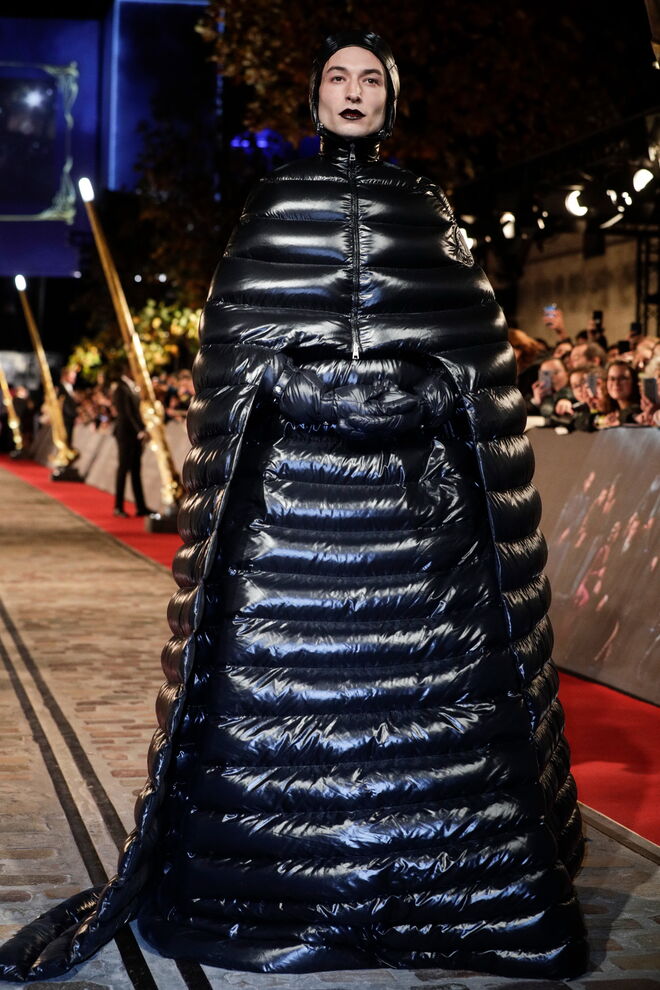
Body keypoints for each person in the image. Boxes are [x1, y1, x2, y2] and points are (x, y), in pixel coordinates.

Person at [0, 30, 588, 982]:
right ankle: (279, 893)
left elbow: (482, 363)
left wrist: (428, 394)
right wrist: (306, 394)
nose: (353, 94)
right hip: (286, 525)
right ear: (313, 100)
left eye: (370, 81)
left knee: (423, 714)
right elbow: (233, 359)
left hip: (419, 530)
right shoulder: (273, 207)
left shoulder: (426, 211)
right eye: (337, 80)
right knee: (284, 701)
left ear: (390, 102)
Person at [111, 364, 154, 517]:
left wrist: (144, 428)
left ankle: (140, 507)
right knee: (123, 469)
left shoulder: (132, 388)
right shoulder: (121, 389)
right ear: (128, 371)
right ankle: (118, 507)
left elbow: (137, 412)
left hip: (134, 435)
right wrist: (140, 431)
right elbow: (126, 414)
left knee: (136, 470)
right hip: (125, 435)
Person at [57, 365, 79, 446]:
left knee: (68, 440)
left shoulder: (69, 388)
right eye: (72, 377)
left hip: (69, 419)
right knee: (66, 440)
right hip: (65, 419)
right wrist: (75, 415)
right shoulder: (61, 388)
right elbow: (65, 405)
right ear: (65, 376)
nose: (74, 379)